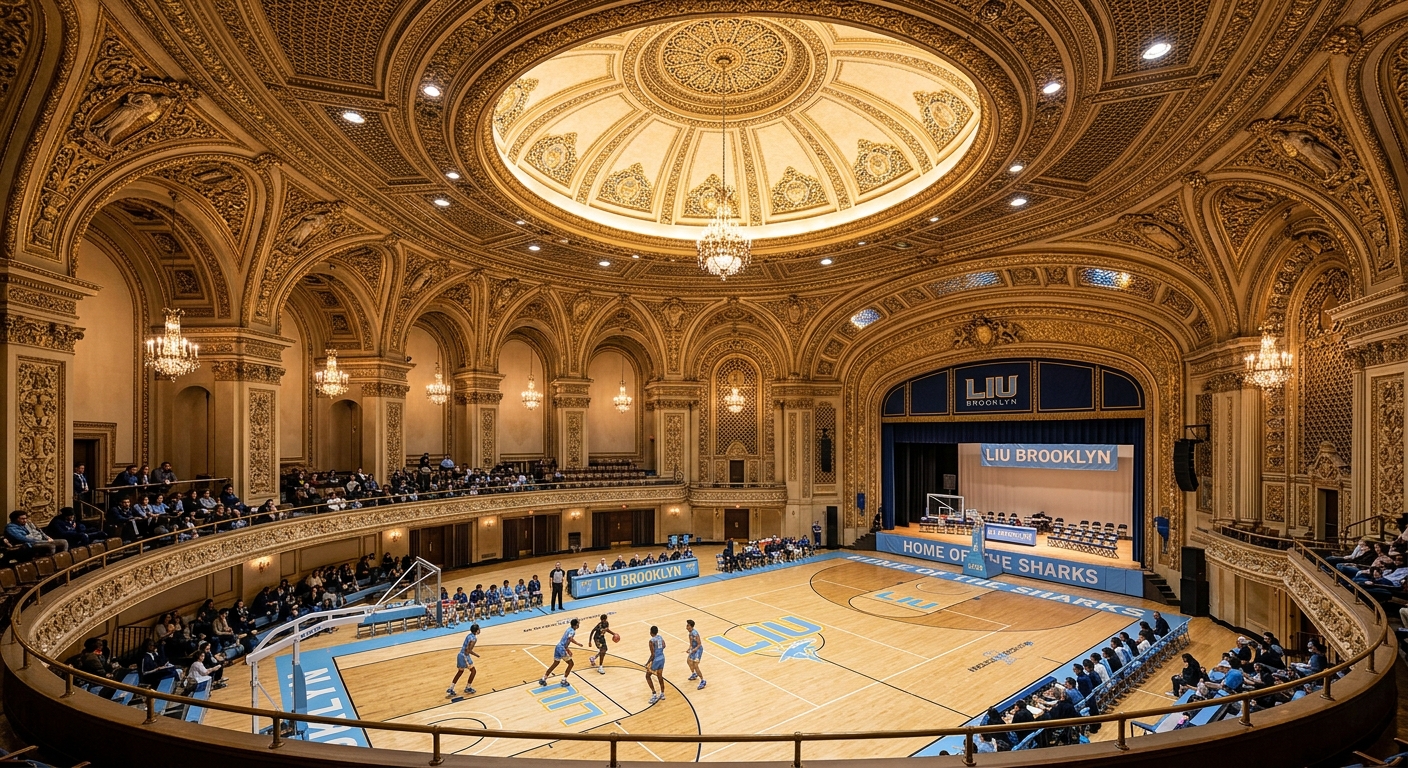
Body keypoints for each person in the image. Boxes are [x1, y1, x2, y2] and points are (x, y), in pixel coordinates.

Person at [540, 618, 582, 688]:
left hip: (558, 646)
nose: (578, 625)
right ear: (575, 625)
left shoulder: (568, 629)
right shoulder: (572, 631)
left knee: (555, 663)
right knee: (571, 664)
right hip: (561, 648)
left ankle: (543, 678)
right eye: (578, 624)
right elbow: (570, 638)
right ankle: (563, 680)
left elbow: (565, 641)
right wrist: (578, 643)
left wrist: (568, 650)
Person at [447, 623, 481, 696]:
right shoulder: (474, 639)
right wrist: (476, 655)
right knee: (473, 671)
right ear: (476, 631)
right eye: (479, 629)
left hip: (460, 655)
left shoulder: (469, 635)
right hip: (464, 656)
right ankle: (468, 687)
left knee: (460, 672)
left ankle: (451, 688)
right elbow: (468, 650)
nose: (480, 630)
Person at [645, 625, 666, 704]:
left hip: (656, 660)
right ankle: (662, 694)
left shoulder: (651, 641)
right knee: (659, 676)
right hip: (662, 658)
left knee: (647, 676)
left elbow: (652, 654)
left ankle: (654, 694)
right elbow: (664, 645)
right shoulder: (660, 637)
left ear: (650, 632)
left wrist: (647, 663)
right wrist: (659, 650)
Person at [685, 618, 706, 690]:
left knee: (695, 665)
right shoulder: (690, 634)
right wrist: (689, 648)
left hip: (698, 650)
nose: (686, 627)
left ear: (691, 626)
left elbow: (699, 644)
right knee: (688, 661)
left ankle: (703, 680)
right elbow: (691, 644)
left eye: (688, 625)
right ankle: (694, 674)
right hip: (694, 649)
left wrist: (694, 649)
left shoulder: (695, 633)